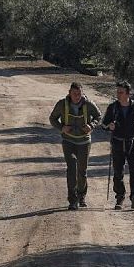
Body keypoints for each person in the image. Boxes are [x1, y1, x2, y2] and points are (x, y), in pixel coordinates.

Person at [49, 82, 103, 210]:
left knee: (82, 171)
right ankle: (72, 200)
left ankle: (81, 196)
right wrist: (62, 128)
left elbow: (98, 116)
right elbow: (52, 118)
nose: (77, 96)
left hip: (84, 142)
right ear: (69, 93)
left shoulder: (89, 104)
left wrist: (91, 125)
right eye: (75, 94)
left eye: (79, 94)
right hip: (68, 142)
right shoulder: (62, 104)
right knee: (71, 168)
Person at [102, 81, 134, 210]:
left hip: (132, 143)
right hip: (117, 142)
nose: (118, 94)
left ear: (128, 93)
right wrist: (109, 126)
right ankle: (119, 198)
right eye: (117, 92)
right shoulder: (113, 107)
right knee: (118, 173)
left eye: (121, 92)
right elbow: (104, 124)